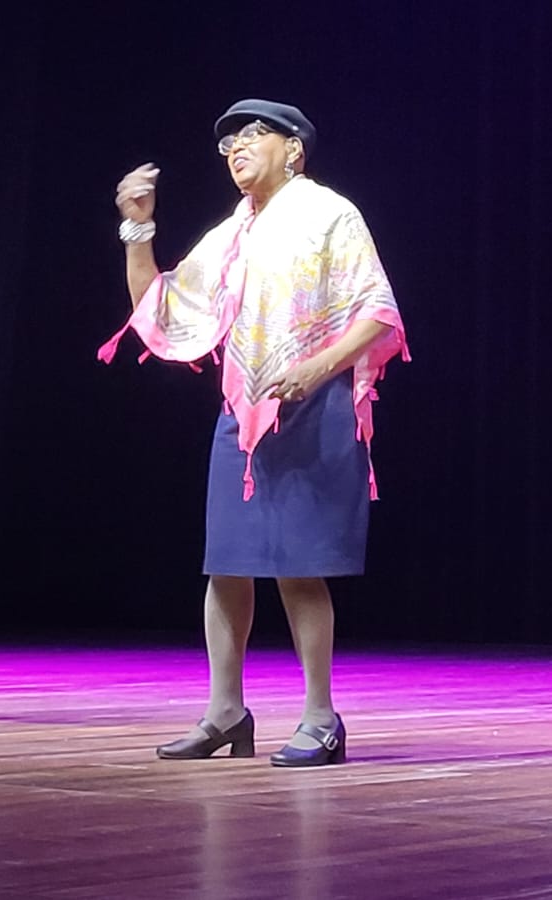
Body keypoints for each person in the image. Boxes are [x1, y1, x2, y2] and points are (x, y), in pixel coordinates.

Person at [100, 99, 409, 766]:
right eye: (228, 142)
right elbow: (158, 307)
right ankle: (226, 712)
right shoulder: (231, 233)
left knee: (299, 570)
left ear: (293, 149)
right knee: (227, 565)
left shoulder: (329, 213)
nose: (236, 147)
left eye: (253, 134)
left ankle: (321, 717)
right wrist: (138, 229)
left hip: (315, 403)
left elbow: (379, 313)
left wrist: (316, 367)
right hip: (245, 413)